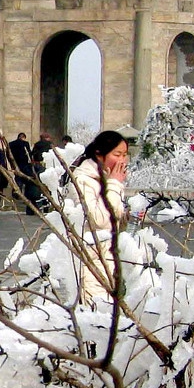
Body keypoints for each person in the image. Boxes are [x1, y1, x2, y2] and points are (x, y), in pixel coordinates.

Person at [66, 130, 129, 305]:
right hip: (90, 262)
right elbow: (99, 219)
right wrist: (115, 184)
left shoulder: (104, 178)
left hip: (106, 259)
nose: (122, 160)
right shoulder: (83, 179)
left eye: (125, 155)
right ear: (99, 155)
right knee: (96, 317)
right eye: (117, 154)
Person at [8, 131, 37, 213]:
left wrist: (11, 163)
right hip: (23, 163)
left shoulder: (11, 144)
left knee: (17, 177)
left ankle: (16, 191)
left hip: (15, 162)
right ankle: (20, 192)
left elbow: (8, 153)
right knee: (23, 178)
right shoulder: (26, 143)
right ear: (23, 137)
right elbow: (28, 154)